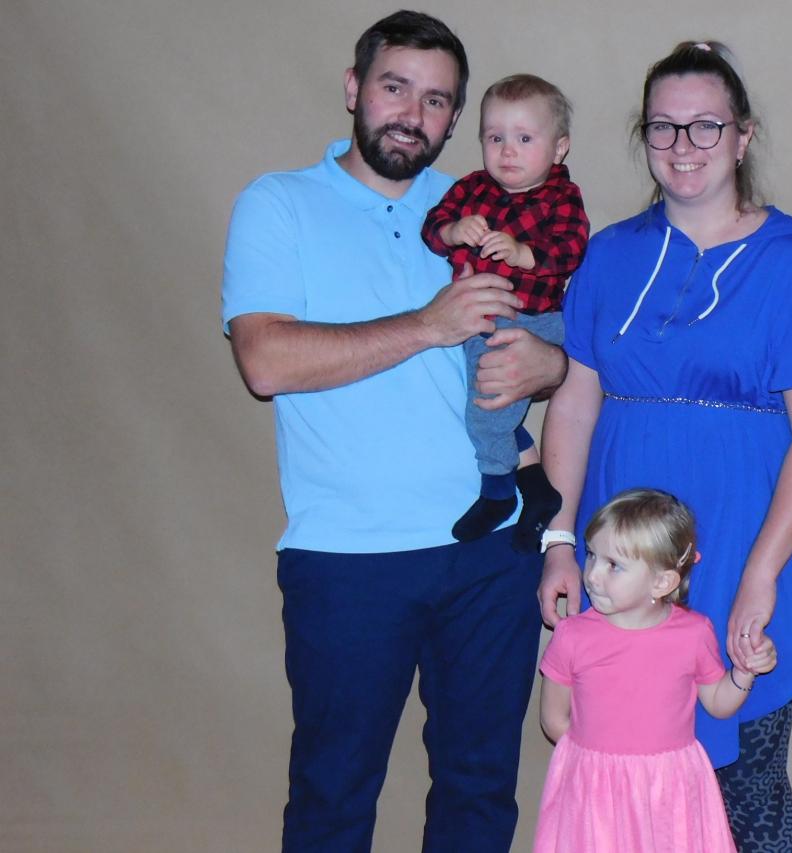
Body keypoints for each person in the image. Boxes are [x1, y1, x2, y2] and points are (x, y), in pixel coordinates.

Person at [221, 11, 565, 852]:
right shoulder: (278, 204)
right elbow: (264, 361)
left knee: (480, 792)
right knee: (334, 795)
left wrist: (547, 366)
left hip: (491, 553)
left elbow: (555, 337)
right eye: (395, 87)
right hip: (348, 556)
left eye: (437, 100)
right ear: (354, 88)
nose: (413, 114)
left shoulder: (483, 207)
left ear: (456, 118)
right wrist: (427, 324)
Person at [537, 40, 792, 851]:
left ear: (743, 136)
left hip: (745, 547)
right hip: (624, 564)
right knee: (622, 789)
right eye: (663, 127)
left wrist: (760, 573)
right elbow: (573, 404)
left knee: (744, 792)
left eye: (705, 125)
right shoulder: (609, 255)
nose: (683, 146)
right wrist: (560, 541)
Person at [534, 489, 777, 852]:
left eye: (613, 565)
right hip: (596, 791)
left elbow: (718, 703)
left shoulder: (693, 633)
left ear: (662, 582)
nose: (593, 575)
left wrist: (744, 672)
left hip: (670, 790)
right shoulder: (572, 635)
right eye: (591, 555)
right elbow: (554, 719)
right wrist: (596, 765)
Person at [421, 73, 588, 550]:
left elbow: (572, 248)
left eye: (524, 139)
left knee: (488, 408)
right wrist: (453, 232)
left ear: (559, 149)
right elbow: (432, 227)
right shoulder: (472, 189)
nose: (507, 151)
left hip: (532, 319)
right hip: (479, 319)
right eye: (495, 138)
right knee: (477, 402)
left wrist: (524, 254)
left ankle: (497, 492)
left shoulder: (560, 197)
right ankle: (537, 490)